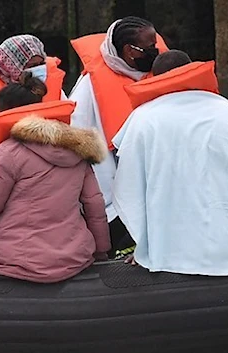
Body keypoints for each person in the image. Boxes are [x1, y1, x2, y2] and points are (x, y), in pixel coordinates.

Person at [113, 50, 228, 276]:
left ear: (155, 77)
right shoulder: (227, 109)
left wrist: (144, 244)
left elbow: (128, 188)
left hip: (168, 249)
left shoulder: (143, 118)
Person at [0, 73, 110, 283]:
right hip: (73, 256)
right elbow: (95, 205)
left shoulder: (9, 151)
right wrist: (101, 251)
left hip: (12, 257)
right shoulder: (77, 149)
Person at [68, 16, 167, 257]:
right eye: (149, 48)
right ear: (129, 51)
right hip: (112, 175)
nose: (155, 52)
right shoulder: (88, 86)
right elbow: (78, 136)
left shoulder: (161, 72)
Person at [0, 34, 68, 134]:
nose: (38, 69)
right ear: (13, 66)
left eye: (41, 64)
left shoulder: (54, 88)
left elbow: (71, 124)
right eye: (31, 65)